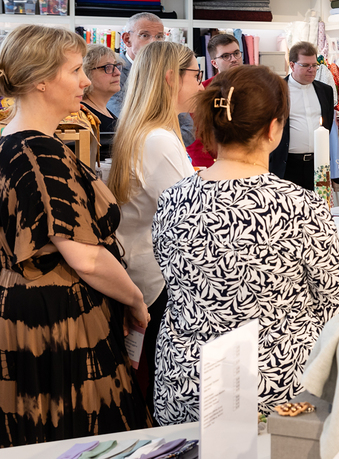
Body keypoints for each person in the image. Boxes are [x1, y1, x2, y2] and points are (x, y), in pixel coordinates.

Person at [153, 65, 339, 423]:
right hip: (278, 385)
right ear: (273, 128)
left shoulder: (173, 199)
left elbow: (173, 282)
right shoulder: (300, 206)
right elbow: (332, 304)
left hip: (188, 381)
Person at [0, 25, 149, 445]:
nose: (85, 81)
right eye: (75, 70)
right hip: (59, 322)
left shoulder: (11, 144)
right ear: (40, 81)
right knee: (87, 438)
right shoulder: (41, 152)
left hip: (27, 314)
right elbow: (86, 257)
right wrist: (134, 299)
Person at [108, 41, 203, 402]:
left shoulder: (145, 130)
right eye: (195, 75)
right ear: (170, 78)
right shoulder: (159, 139)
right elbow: (191, 216)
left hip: (142, 267)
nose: (200, 84)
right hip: (157, 277)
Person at [107, 12, 196, 147]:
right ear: (127, 39)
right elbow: (127, 124)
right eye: (145, 35)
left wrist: (161, 143)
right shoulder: (113, 74)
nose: (153, 42)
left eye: (159, 36)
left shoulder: (167, 73)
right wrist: (161, 138)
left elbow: (188, 129)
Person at [268, 41, 335, 190]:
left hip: (318, 165)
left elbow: (329, 126)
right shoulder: (276, 90)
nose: (312, 70)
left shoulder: (326, 91)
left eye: (314, 65)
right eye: (305, 65)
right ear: (292, 65)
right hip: (287, 165)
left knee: (318, 203)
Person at [186, 33, 243, 167]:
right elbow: (193, 137)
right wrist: (212, 169)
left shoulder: (256, 87)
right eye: (225, 56)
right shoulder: (202, 91)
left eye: (236, 53)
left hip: (251, 163)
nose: (233, 59)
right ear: (214, 63)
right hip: (212, 165)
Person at [80, 43, 122, 161]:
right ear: (86, 73)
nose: (117, 72)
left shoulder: (104, 110)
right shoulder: (81, 115)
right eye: (108, 68)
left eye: (116, 66)